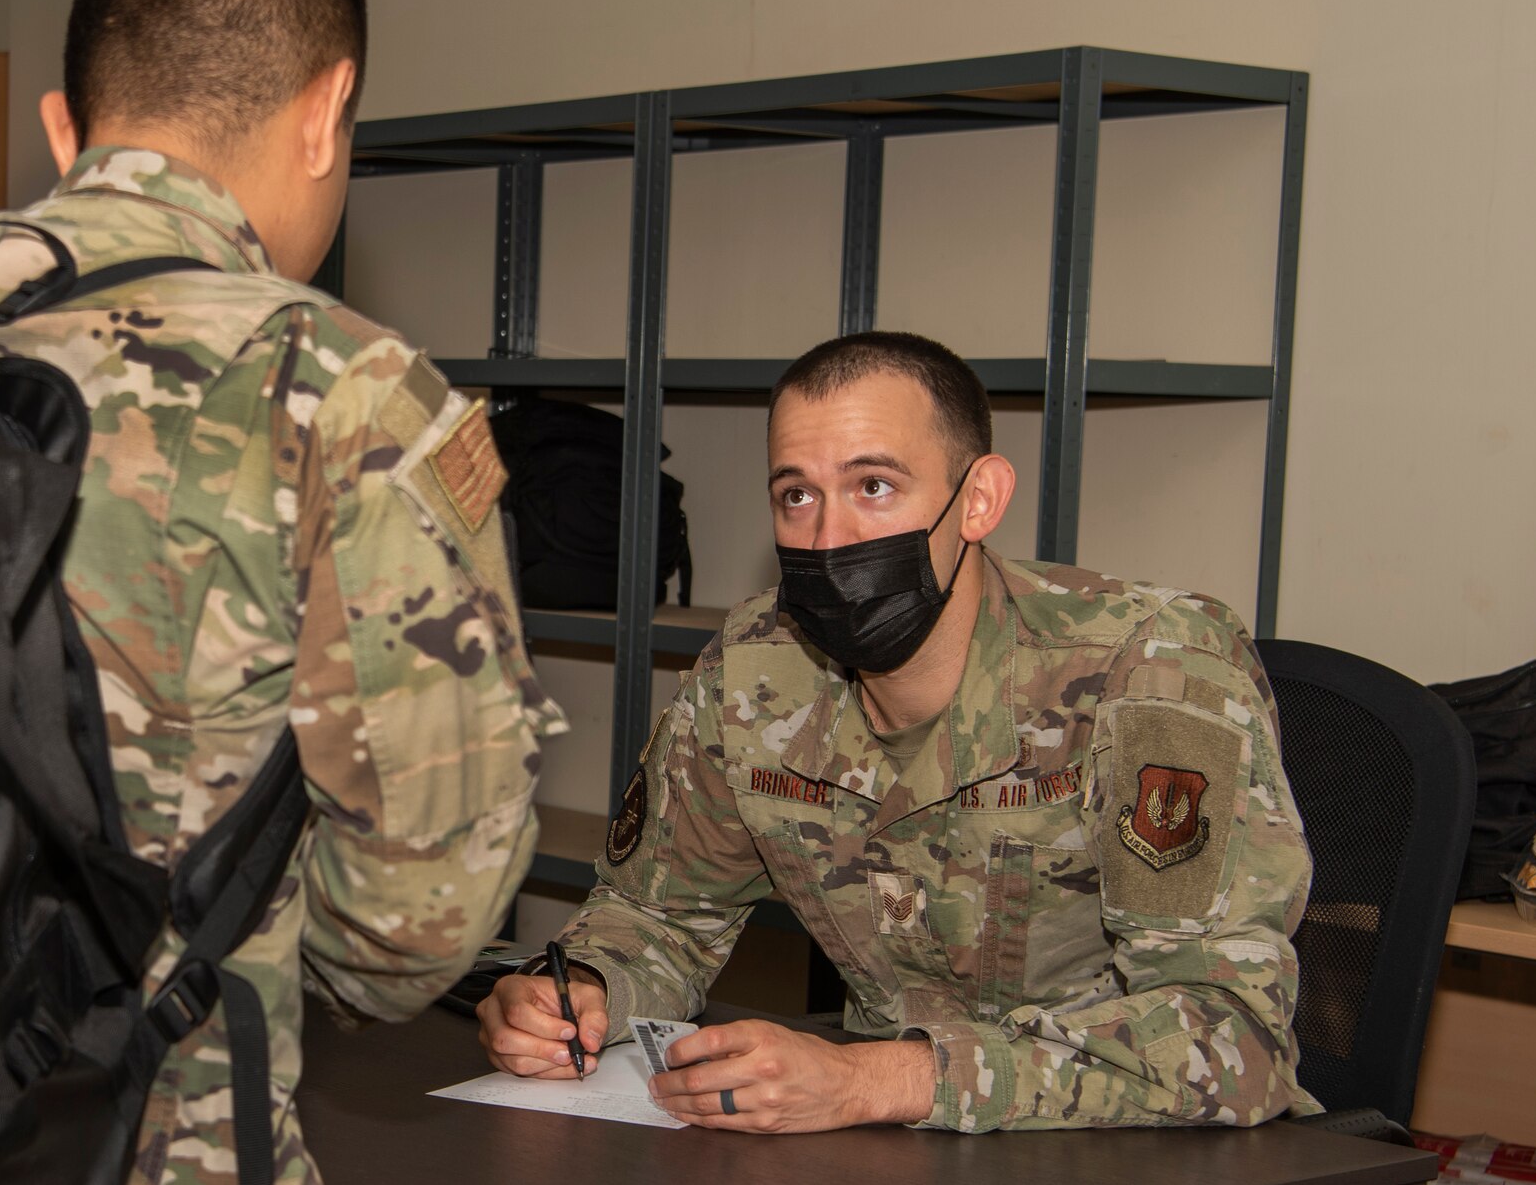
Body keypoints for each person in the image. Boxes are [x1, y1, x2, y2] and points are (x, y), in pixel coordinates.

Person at [0, 0, 563, 1182]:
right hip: (157, 1132)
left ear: (66, 129)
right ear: (330, 107)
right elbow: (417, 920)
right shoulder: (339, 390)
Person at [480, 331, 1318, 1133]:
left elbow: (1228, 1035)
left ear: (979, 498)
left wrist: (879, 1079)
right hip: (880, 1142)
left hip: (1118, 1143)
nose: (829, 537)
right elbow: (659, 917)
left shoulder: (1152, 671)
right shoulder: (754, 676)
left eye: (873, 485)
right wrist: (581, 991)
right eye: (796, 495)